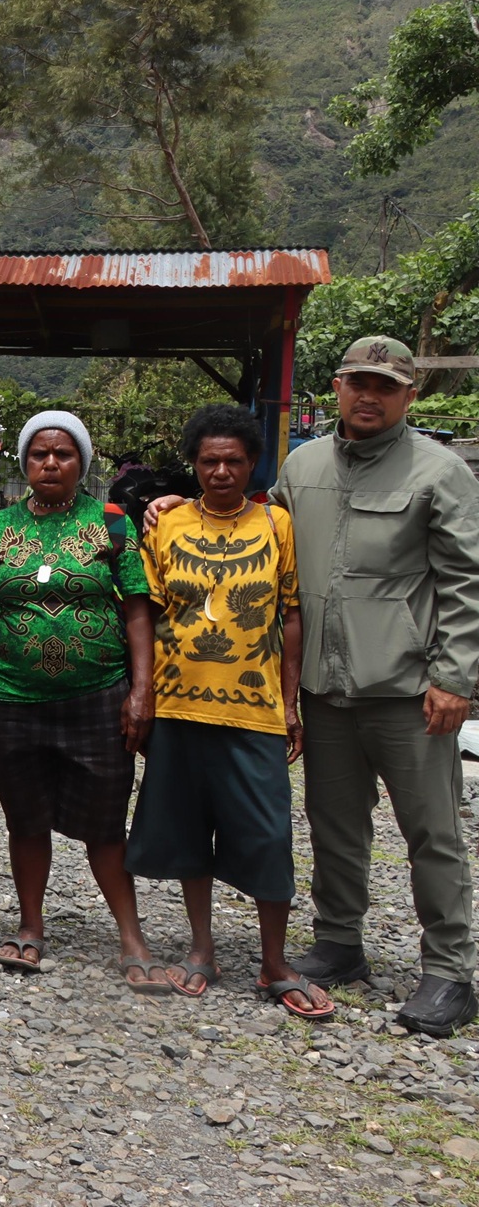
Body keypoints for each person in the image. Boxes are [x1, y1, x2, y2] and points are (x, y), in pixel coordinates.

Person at [274, 337, 479, 1033]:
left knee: (433, 831)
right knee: (334, 824)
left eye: (386, 385)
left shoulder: (440, 471)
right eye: (358, 381)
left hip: (409, 692)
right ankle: (338, 941)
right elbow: (254, 540)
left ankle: (449, 970)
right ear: (336, 386)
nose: (370, 394)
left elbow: (464, 582)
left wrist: (455, 678)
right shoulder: (300, 468)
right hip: (325, 690)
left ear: (408, 396)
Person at [129, 403, 331, 1018]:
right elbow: (145, 610)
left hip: (255, 709)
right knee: (191, 829)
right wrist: (142, 696)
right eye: (210, 461)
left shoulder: (275, 526)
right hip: (180, 705)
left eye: (234, 461)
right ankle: (201, 949)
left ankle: (275, 962)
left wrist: (290, 701)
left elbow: (291, 613)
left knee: (268, 835)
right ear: (193, 463)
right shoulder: (165, 524)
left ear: (252, 465)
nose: (221, 471)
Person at [0, 410, 162, 989]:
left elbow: (136, 609)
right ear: (24, 462)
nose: (50, 463)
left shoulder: (114, 525)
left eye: (64, 454)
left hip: (97, 696)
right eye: (38, 454)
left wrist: (141, 691)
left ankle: (131, 935)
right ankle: (30, 927)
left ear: (82, 461)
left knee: (105, 824)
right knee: (25, 820)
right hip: (9, 697)